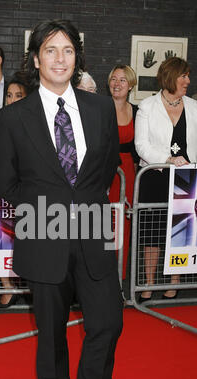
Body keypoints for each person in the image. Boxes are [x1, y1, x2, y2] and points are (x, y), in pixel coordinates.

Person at [0, 19, 134, 379]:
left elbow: (106, 168)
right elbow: (6, 183)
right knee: (51, 336)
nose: (59, 58)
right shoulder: (13, 118)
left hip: (93, 235)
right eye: (50, 50)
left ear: (77, 58)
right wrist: (39, 222)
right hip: (42, 238)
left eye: (67, 50)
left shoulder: (101, 108)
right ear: (36, 59)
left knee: (108, 323)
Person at [135, 57, 197, 301]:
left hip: (186, 179)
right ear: (170, 77)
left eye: (188, 76)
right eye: (183, 76)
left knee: (181, 230)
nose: (188, 81)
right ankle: (149, 282)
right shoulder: (147, 106)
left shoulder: (193, 106)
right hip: (155, 176)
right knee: (153, 232)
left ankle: (175, 279)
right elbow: (141, 145)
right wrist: (166, 159)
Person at [0, 75, 28, 309]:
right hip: (7, 191)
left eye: (18, 95)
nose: (12, 99)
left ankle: (32, 289)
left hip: (31, 192)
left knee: (30, 241)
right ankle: (8, 287)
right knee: (3, 240)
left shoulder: (36, 120)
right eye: (9, 95)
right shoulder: (2, 118)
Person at [108, 65, 139, 279]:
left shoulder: (137, 111)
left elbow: (138, 148)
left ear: (130, 85)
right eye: (114, 79)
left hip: (127, 171)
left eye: (122, 80)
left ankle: (120, 277)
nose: (117, 84)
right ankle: (101, 276)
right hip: (103, 172)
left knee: (123, 223)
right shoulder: (100, 107)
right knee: (102, 222)